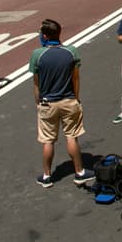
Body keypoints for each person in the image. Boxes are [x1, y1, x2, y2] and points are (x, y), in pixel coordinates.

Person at [29, 19, 94, 187]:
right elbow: (76, 78)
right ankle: (79, 172)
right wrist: (76, 98)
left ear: (44, 35)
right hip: (69, 100)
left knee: (48, 140)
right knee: (72, 136)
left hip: (47, 103)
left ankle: (46, 176)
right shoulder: (71, 52)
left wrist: (38, 102)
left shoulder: (37, 55)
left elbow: (36, 83)